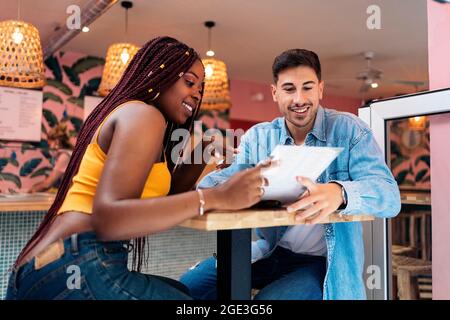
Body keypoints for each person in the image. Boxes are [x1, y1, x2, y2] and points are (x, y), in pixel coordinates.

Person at [6, 37, 271, 300]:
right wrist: (218, 196)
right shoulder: (144, 115)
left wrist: (203, 149)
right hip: (75, 263)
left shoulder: (140, 116)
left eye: (201, 87)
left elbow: (165, 198)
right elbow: (110, 218)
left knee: (183, 291)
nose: (197, 93)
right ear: (159, 75)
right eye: (189, 82)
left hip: (50, 268)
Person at [180, 48, 401, 300]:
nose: (299, 99)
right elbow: (223, 182)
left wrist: (339, 193)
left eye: (307, 88)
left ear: (320, 89)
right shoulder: (259, 136)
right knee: (188, 287)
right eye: (288, 89)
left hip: (322, 262)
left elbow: (390, 196)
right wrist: (215, 177)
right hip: (271, 250)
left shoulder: (350, 130)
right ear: (275, 92)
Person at [29, 121, 73, 193]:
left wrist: (32, 190)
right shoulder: (68, 153)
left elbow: (47, 184)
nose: (49, 148)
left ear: (56, 142)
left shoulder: (65, 156)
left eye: (49, 145)